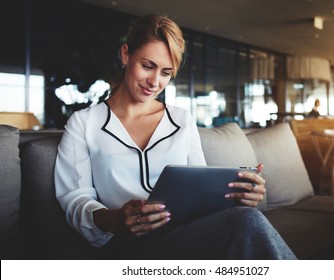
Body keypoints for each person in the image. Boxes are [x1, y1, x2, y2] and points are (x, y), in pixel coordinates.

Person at [54, 14, 296, 260]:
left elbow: (201, 190)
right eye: (147, 66)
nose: (154, 82)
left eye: (166, 73)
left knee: (247, 218)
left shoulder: (182, 120)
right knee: (246, 223)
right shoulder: (84, 123)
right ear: (126, 55)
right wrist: (115, 219)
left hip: (185, 234)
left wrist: (240, 197)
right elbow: (75, 199)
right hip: (127, 245)